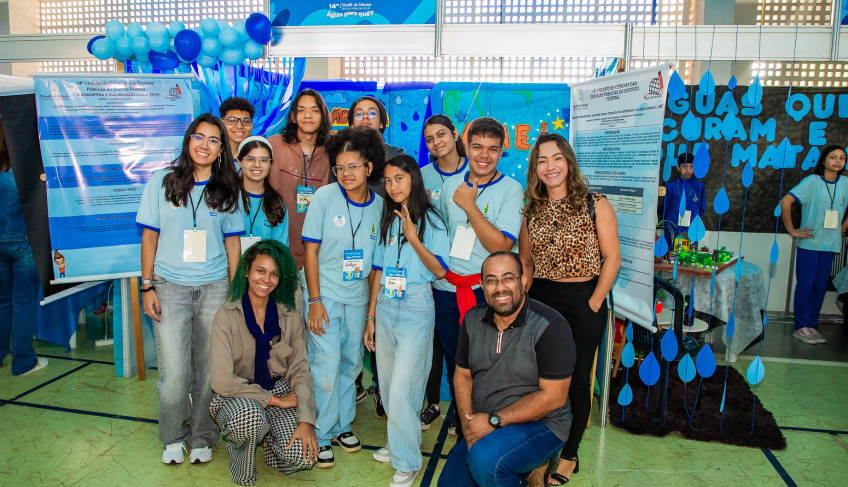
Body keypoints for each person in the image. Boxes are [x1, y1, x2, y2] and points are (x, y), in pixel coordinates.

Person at [136, 113, 244, 465]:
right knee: (175, 373)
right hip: (168, 286)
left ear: (221, 151)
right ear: (188, 140)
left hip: (214, 287)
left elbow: (232, 244)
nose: (205, 145)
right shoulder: (161, 182)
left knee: (209, 369)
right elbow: (149, 236)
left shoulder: (227, 188)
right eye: (199, 137)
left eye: (214, 140)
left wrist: (234, 291)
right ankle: (172, 435)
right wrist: (147, 284)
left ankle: (203, 436)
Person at [518, 132, 621, 485]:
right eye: (542, 160)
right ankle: (541, 449)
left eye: (557, 158)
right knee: (540, 380)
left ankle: (569, 454)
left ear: (569, 162)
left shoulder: (596, 203)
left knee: (576, 381)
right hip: (542, 303)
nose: (550, 166)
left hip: (584, 301)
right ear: (535, 168)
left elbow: (612, 259)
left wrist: (593, 303)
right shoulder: (532, 209)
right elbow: (526, 262)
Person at [437, 251, 576, 487]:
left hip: (543, 424)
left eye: (508, 278)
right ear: (482, 285)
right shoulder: (472, 320)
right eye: (491, 280)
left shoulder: (550, 326)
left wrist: (493, 421)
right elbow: (462, 375)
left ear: (523, 281)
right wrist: (469, 426)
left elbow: (554, 397)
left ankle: (535, 463)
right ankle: (527, 471)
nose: (500, 288)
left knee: (488, 463)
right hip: (486, 423)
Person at [434, 117, 524, 436]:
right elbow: (447, 232)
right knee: (454, 361)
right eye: (477, 147)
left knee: (485, 365)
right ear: (466, 146)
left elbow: (502, 245)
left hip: (486, 294)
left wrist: (471, 206)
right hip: (447, 289)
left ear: (501, 152)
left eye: (493, 149)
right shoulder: (450, 185)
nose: (484, 155)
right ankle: (463, 419)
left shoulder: (512, 190)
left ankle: (485, 424)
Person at [300, 126, 384, 468]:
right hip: (325, 294)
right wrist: (315, 301)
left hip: (358, 297)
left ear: (369, 167)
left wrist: (370, 314)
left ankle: (342, 424)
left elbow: (377, 265)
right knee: (324, 365)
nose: (346, 174)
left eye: (354, 166)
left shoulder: (381, 206)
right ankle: (320, 432)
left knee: (350, 366)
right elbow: (309, 253)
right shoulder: (324, 198)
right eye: (339, 167)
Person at [364, 154, 450, 487]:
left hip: (415, 305)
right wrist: (371, 316)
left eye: (399, 178)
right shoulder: (388, 218)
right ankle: (399, 440)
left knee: (403, 386)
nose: (392, 185)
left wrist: (413, 237)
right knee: (388, 384)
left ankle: (408, 460)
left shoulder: (433, 221)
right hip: (385, 304)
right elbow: (380, 271)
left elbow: (440, 271)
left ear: (413, 179)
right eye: (387, 180)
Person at [210, 239, 318, 485]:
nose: (266, 280)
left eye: (274, 274)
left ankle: (269, 441)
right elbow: (222, 381)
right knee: (248, 418)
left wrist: (305, 420)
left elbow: (300, 368)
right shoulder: (226, 316)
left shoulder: (288, 313)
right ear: (247, 271)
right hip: (236, 393)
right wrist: (274, 401)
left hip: (278, 386)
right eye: (260, 271)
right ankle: (243, 466)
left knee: (303, 457)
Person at [346, 95, 398, 416]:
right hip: (350, 258)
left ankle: (382, 386)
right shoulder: (342, 157)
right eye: (359, 113)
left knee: (380, 325)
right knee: (351, 324)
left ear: (382, 121)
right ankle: (352, 383)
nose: (365, 117)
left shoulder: (396, 159)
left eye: (372, 113)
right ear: (351, 121)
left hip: (386, 257)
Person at [419, 114, 468, 430]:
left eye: (441, 135)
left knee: (461, 347)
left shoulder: (473, 171)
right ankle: (433, 403)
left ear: (454, 134)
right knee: (432, 345)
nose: (437, 142)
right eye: (429, 139)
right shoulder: (422, 176)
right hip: (430, 272)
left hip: (465, 274)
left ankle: (460, 408)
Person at [780, 144, 848, 345]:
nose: (838, 161)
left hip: (830, 244)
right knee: (806, 285)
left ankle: (812, 325)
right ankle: (801, 326)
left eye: (842, 158)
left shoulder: (845, 182)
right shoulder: (812, 181)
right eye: (833, 157)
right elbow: (785, 202)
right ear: (824, 161)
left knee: (819, 286)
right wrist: (793, 230)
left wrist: (841, 230)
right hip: (810, 244)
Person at [267, 89, 332, 280]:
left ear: (323, 115)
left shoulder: (332, 152)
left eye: (314, 110)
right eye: (302, 110)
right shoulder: (274, 145)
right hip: (277, 246)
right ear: (294, 116)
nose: (308, 115)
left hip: (316, 252)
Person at [0, 141, 47, 376]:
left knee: (1, 303)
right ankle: (23, 362)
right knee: (23, 304)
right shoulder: (28, 168)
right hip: (24, 244)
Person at [236, 136, 289, 248]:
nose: (257, 165)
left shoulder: (277, 204)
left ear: (270, 164)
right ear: (239, 161)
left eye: (263, 160)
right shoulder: (229, 199)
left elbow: (280, 248)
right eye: (250, 159)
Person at [662, 152, 706, 248]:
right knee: (671, 258)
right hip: (673, 229)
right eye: (685, 166)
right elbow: (666, 208)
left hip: (691, 229)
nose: (688, 170)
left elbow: (702, 208)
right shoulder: (671, 186)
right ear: (678, 167)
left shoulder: (699, 186)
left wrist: (693, 218)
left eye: (691, 166)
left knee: (689, 259)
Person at [220, 97, 255, 165]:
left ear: (251, 125)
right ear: (222, 123)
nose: (239, 126)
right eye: (232, 120)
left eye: (245, 121)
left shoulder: (257, 157)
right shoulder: (213, 155)